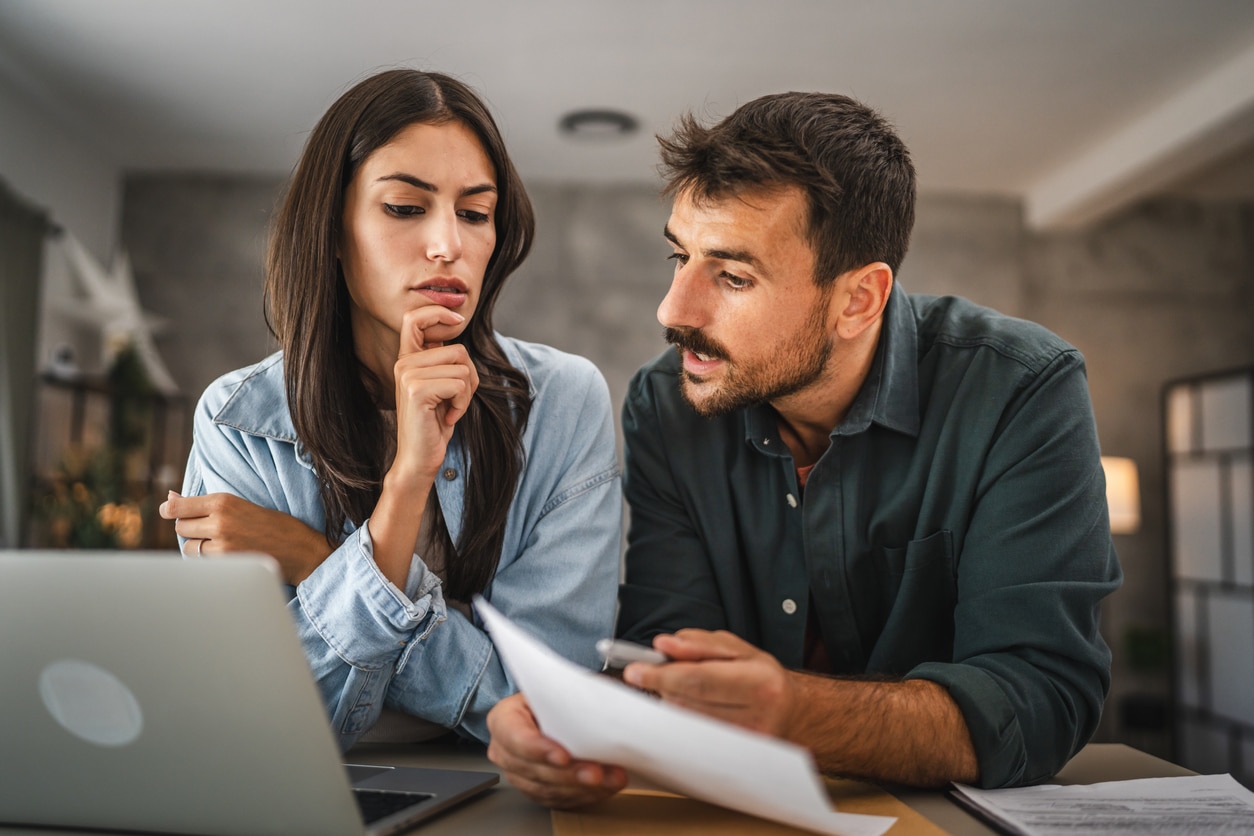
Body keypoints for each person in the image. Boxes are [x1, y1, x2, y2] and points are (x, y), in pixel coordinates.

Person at [485, 91, 1122, 805]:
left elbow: (1040, 700)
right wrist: (564, 727)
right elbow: (666, 646)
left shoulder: (1022, 390)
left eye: (732, 276)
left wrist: (797, 714)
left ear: (858, 299)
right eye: (680, 257)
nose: (673, 311)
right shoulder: (669, 404)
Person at [159, 69, 621, 747]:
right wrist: (406, 486)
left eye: (474, 213)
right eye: (406, 208)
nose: (449, 245)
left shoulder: (562, 401)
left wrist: (319, 562)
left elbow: (549, 704)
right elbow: (271, 725)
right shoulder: (239, 422)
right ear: (334, 230)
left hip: (509, 793)